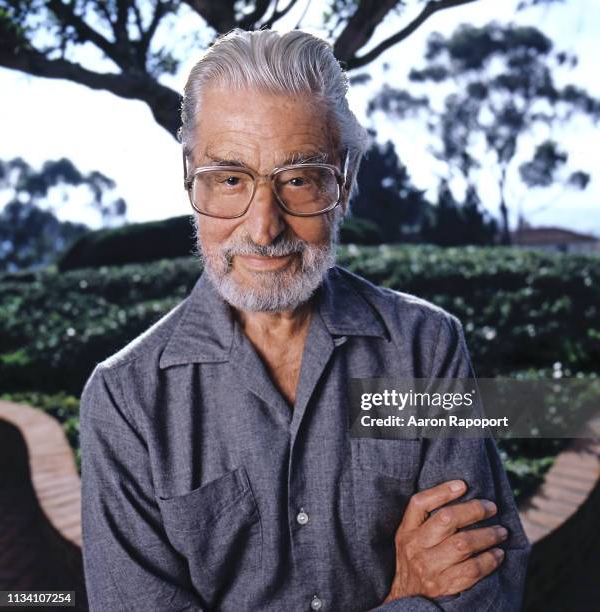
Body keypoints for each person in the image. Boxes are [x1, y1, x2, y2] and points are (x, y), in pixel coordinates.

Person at [79, 28, 531, 612]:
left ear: (345, 183)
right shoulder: (126, 401)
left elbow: (481, 588)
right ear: (190, 174)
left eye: (298, 179)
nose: (264, 227)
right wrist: (400, 597)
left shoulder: (425, 351)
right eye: (230, 179)